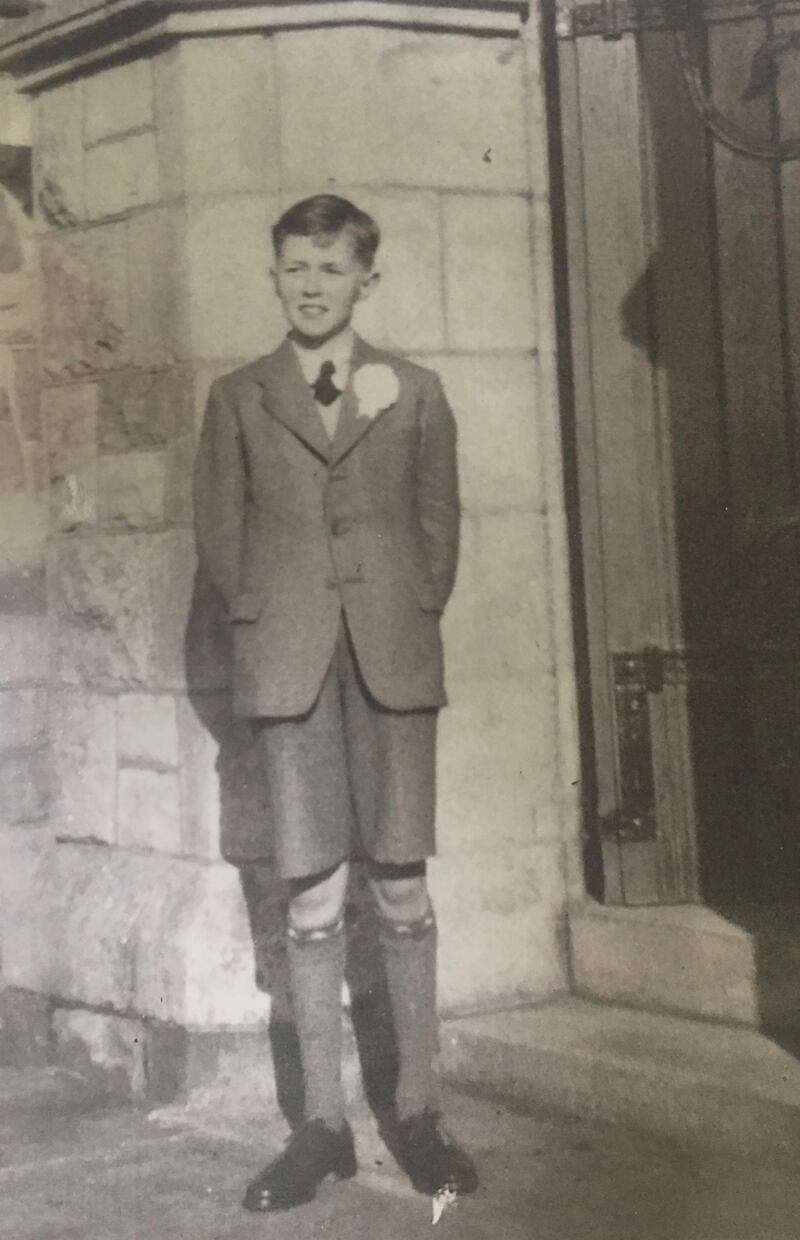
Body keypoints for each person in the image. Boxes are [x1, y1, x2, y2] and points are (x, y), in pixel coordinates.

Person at [194, 194, 477, 1213]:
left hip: (392, 668)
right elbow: (224, 547)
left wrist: (398, 612)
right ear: (273, 275)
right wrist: (281, 629)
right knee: (310, 898)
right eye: (293, 268)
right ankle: (320, 1126)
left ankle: (421, 1113)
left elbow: (435, 532)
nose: (310, 285)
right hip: (290, 673)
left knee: (400, 888)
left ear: (367, 276)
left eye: (329, 268)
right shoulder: (237, 396)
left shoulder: (416, 391)